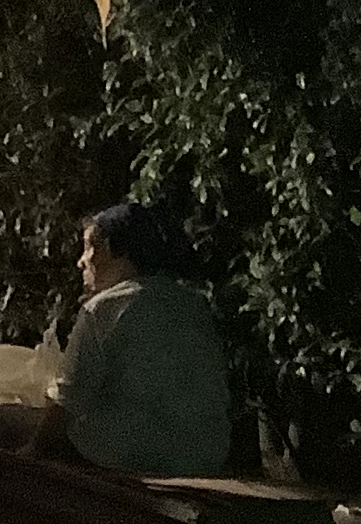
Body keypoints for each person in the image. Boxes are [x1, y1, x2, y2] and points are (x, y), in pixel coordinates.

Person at [42, 202, 234, 477]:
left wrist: (32, 449)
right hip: (205, 455)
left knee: (4, 420)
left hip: (134, 454)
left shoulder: (103, 309)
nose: (81, 261)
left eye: (88, 247)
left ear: (110, 250)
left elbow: (68, 401)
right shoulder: (194, 304)